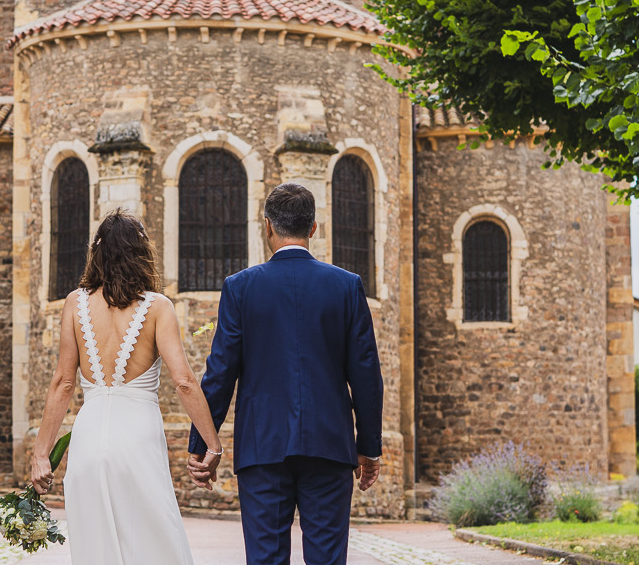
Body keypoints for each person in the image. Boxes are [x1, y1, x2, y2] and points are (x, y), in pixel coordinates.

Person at [186, 182, 384, 565]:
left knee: (265, 559)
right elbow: (366, 374)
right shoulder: (346, 286)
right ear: (313, 229)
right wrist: (368, 447)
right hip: (329, 445)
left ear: (267, 227)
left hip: (263, 447)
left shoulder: (240, 288)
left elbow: (220, 373)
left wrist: (202, 445)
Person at [27, 211, 223, 565]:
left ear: (97, 252)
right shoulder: (158, 307)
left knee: (95, 547)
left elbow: (63, 382)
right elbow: (184, 381)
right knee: (152, 542)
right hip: (138, 439)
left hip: (88, 439)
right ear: (142, 252)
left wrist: (41, 454)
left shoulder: (75, 303)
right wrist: (213, 445)